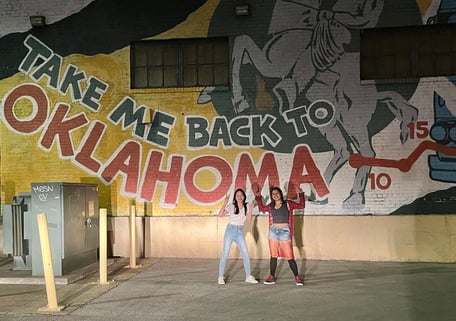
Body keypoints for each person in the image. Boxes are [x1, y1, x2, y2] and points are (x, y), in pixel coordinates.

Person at [255, 185, 305, 286]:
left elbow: (301, 205)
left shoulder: (287, 203)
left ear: (280, 194)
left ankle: (297, 277)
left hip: (284, 232)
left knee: (289, 256)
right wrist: (258, 197)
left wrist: (301, 194)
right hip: (273, 231)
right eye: (273, 194)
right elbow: (262, 208)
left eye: (277, 193)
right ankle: (271, 276)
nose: (275, 195)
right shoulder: (271, 205)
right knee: (273, 256)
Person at [217, 188, 258, 285]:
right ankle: (220, 276)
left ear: (244, 197)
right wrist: (225, 202)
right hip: (230, 230)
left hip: (240, 231)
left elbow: (248, 220)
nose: (239, 197)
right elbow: (220, 215)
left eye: (241, 195)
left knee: (245, 254)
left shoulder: (246, 206)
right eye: (237, 196)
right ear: (235, 197)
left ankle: (248, 276)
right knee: (225, 254)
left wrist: (251, 209)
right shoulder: (231, 206)